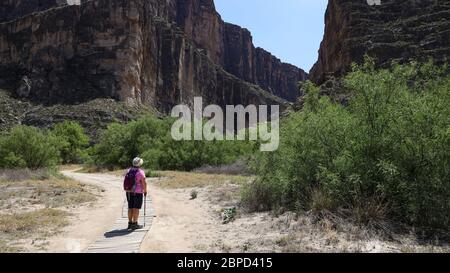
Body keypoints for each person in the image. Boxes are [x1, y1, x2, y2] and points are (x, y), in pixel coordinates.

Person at [125, 157, 148, 230]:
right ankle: (135, 223)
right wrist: (145, 190)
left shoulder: (129, 170)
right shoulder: (141, 172)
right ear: (140, 164)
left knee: (130, 207)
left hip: (129, 192)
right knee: (136, 208)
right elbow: (144, 183)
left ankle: (130, 223)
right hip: (137, 192)